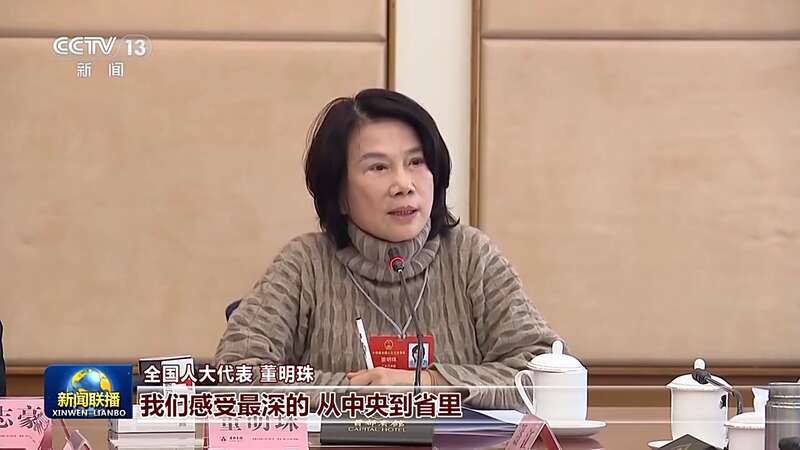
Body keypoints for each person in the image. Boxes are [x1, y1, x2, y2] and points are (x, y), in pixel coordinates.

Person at [215, 88, 562, 409]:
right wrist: (358, 392)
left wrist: (429, 384)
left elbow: (545, 372)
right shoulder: (305, 264)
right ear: (339, 193)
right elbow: (235, 372)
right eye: (378, 167)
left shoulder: (472, 256)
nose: (403, 185)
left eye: (416, 162)